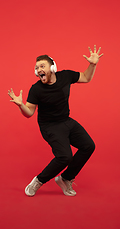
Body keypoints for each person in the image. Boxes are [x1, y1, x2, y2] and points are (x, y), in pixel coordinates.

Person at [8, 45, 103, 197]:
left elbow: (86, 77)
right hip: (50, 126)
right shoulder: (36, 89)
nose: (39, 69)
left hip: (66, 120)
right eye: (36, 67)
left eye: (42, 66)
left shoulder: (65, 76)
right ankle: (38, 180)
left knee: (88, 146)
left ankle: (66, 178)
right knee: (65, 156)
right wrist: (21, 106)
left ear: (52, 67)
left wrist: (92, 64)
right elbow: (29, 113)